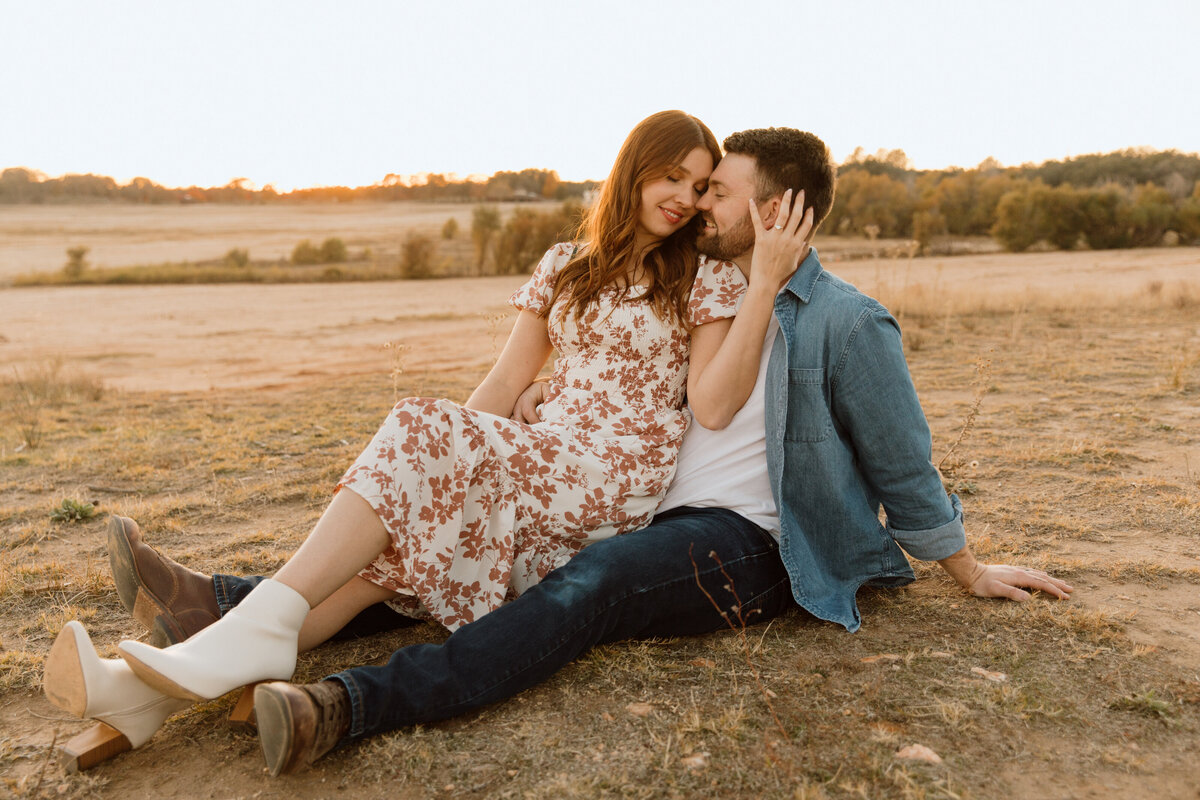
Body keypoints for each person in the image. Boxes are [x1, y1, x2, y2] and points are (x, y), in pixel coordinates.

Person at [53, 126, 1072, 777]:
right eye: (690, 183)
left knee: (585, 586)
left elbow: (884, 455)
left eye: (717, 190)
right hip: (608, 481)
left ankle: (339, 697)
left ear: (777, 212)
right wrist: (459, 459)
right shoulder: (660, 275)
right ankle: (170, 666)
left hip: (745, 542)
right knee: (397, 546)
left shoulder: (839, 319)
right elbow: (532, 380)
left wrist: (966, 567)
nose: (700, 201)